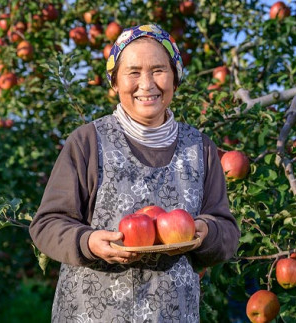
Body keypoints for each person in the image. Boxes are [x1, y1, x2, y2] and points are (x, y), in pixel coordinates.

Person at [29, 23, 240, 322]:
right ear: (115, 82)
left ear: (175, 77)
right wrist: (87, 242)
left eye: (158, 70)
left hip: (172, 314)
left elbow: (227, 230)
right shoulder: (87, 142)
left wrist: (207, 232)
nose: (147, 84)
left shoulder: (201, 148)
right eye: (133, 72)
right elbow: (46, 224)